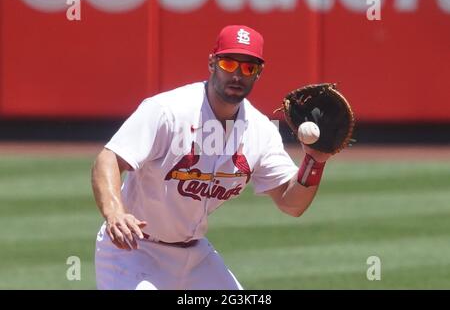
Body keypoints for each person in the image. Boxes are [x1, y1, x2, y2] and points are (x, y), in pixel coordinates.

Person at [91, 25, 332, 290]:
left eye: (248, 67)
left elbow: (291, 203)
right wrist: (114, 213)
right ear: (212, 63)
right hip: (134, 252)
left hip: (196, 257)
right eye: (229, 63)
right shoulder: (168, 111)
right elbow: (110, 158)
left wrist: (314, 162)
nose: (238, 74)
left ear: (258, 73)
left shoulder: (260, 130)